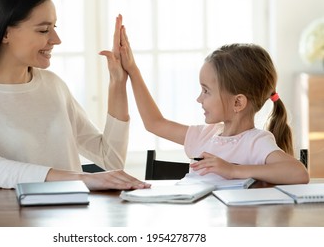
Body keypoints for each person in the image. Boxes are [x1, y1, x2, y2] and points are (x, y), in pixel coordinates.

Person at [0, 0, 150, 191]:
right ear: (5, 33)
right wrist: (81, 179)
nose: (56, 39)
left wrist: (117, 82)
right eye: (43, 30)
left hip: (66, 217)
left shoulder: (53, 86)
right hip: (2, 220)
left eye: (54, 28)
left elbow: (110, 159)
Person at [118, 23, 309, 185]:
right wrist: (132, 70)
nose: (199, 99)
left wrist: (234, 171)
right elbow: (155, 123)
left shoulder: (256, 142)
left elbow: (299, 173)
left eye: (206, 91)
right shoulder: (204, 135)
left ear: (238, 102)